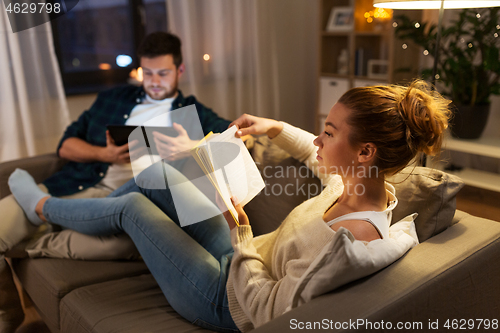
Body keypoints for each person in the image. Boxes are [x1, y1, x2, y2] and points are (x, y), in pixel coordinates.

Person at [8, 80, 450, 332]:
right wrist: (273, 127)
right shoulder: (361, 184)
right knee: (154, 175)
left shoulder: (352, 241)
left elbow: (268, 310)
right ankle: (71, 218)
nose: (319, 139)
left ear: (366, 151)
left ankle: (42, 208)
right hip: (241, 261)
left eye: (330, 132)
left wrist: (238, 233)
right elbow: (310, 155)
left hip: (227, 302)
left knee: (133, 211)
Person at [0, 31, 230, 332]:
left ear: (180, 71)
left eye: (163, 73)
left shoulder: (194, 114)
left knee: (121, 241)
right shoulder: (112, 99)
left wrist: (192, 147)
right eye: (147, 73)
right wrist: (104, 153)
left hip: (132, 204)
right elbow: (65, 145)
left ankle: (40, 220)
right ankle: (7, 316)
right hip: (76, 187)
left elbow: (234, 141)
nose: (154, 81)